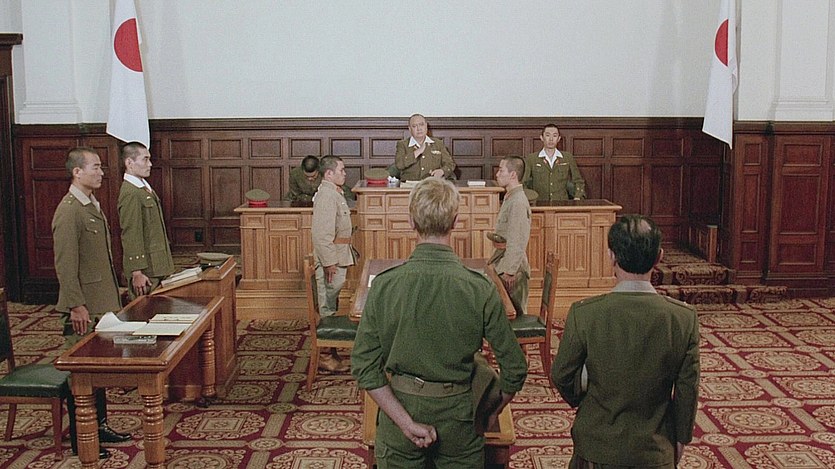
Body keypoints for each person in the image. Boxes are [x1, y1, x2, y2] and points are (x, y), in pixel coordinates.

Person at [352, 177, 528, 468]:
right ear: (455, 221)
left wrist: (405, 423)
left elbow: (364, 367)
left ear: (411, 221)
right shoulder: (479, 288)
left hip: (400, 411)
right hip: (461, 417)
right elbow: (515, 368)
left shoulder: (384, 286)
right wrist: (493, 411)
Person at [550, 214, 700, 468]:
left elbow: (561, 375)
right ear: (659, 257)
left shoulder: (585, 314)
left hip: (596, 448)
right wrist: (680, 439)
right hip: (654, 451)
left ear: (611, 256)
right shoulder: (683, 318)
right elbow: (688, 391)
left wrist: (584, 398)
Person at [52, 147, 133, 459]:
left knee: (96, 371)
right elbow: (65, 264)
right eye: (95, 167)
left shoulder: (90, 204)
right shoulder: (69, 211)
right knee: (82, 377)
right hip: (84, 308)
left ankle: (99, 426)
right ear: (77, 172)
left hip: (100, 303)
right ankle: (82, 441)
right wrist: (76, 305)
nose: (101, 172)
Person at [311, 155, 356, 371]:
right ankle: (326, 356)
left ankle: (331, 352)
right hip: (331, 259)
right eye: (341, 170)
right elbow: (321, 235)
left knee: (331, 302)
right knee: (327, 305)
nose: (344, 174)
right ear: (329, 174)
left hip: (338, 255)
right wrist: (330, 263)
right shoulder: (327, 196)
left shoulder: (334, 193)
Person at [117, 142, 175, 298]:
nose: (150, 164)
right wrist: (137, 271)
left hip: (157, 264)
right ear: (129, 163)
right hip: (146, 270)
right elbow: (131, 233)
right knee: (145, 309)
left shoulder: (143, 188)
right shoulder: (131, 193)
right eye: (145, 159)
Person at [489, 156, 531, 315]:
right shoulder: (511, 197)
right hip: (504, 261)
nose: (497, 174)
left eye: (501, 170)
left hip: (512, 269)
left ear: (513, 175)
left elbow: (517, 239)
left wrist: (510, 271)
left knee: (514, 314)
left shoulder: (518, 201)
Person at [523, 123, 586, 202]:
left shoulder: (567, 158)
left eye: (555, 136)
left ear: (559, 138)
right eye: (548, 135)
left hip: (562, 203)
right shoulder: (532, 158)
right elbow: (523, 182)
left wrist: (577, 197)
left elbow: (578, 181)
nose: (551, 139)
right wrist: (528, 199)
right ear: (541, 138)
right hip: (539, 203)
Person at [394, 114, 456, 181]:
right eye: (414, 126)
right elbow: (399, 164)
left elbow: (450, 164)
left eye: (421, 125)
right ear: (410, 129)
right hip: (410, 184)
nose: (419, 129)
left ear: (426, 126)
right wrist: (418, 152)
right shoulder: (403, 145)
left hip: (432, 183)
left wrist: (442, 171)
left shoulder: (438, 143)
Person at [285, 155, 354, 202]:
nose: (310, 179)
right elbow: (295, 194)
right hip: (301, 202)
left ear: (318, 170)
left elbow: (343, 190)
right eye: (307, 176)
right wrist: (312, 199)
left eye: (313, 176)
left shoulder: (326, 174)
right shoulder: (295, 174)